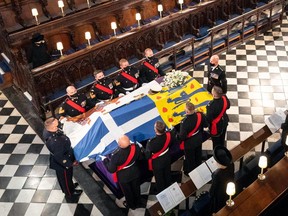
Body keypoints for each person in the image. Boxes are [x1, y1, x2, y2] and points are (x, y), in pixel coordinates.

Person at [42, 117, 82, 198]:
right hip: (62, 164)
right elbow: (60, 157)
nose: (59, 125)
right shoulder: (55, 141)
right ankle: (69, 193)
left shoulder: (48, 130)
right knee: (65, 179)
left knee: (65, 177)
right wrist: (70, 163)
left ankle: (69, 186)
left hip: (61, 157)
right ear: (53, 127)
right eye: (57, 125)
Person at [103, 135, 143, 210]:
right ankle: (138, 202)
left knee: (128, 192)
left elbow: (111, 170)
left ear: (120, 145)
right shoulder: (136, 147)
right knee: (136, 188)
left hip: (124, 177)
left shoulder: (116, 155)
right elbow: (140, 157)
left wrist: (105, 160)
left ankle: (131, 205)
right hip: (135, 172)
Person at [177, 101, 208, 174]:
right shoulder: (200, 115)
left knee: (190, 159)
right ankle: (199, 168)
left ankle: (192, 173)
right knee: (198, 154)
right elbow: (206, 125)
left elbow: (182, 137)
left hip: (189, 144)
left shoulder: (184, 122)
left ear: (187, 111)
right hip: (198, 139)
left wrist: (176, 136)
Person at [145, 120, 173, 193]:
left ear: (156, 130)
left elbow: (147, 155)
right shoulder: (169, 135)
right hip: (167, 158)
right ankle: (168, 187)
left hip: (157, 163)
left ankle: (162, 192)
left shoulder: (151, 142)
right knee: (167, 174)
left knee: (159, 178)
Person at [209, 146, 235, 213]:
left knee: (217, 207)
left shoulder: (217, 174)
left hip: (219, 194)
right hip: (228, 188)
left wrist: (210, 194)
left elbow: (213, 188)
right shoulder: (231, 165)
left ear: (219, 163)